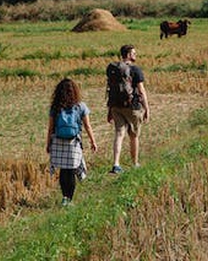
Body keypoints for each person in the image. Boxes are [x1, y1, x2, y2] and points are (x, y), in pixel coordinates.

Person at [46, 78, 98, 206]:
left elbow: (50, 128)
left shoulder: (55, 107)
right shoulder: (80, 106)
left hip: (58, 141)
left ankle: (64, 197)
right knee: (72, 170)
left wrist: (48, 144)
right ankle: (70, 199)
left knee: (64, 170)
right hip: (73, 141)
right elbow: (87, 126)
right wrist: (93, 141)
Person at [108, 44, 149, 174]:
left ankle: (116, 164)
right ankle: (135, 163)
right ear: (129, 55)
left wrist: (110, 110)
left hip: (115, 106)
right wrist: (147, 108)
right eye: (134, 53)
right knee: (134, 136)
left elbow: (110, 90)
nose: (135, 55)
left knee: (119, 134)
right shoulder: (135, 70)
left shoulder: (114, 69)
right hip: (132, 107)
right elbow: (141, 91)